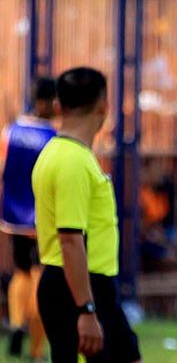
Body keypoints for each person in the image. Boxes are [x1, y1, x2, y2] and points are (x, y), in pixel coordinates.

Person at [32, 67, 142, 363]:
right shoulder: (72, 162)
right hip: (79, 288)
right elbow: (70, 240)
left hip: (88, 287)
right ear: (104, 106)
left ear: (57, 105)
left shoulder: (58, 153)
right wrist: (86, 310)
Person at [1, 77, 56, 359]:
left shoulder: (9, 132)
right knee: (40, 277)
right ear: (46, 102)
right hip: (40, 219)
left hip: (11, 216)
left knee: (20, 272)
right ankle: (36, 347)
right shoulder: (52, 138)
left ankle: (16, 321)